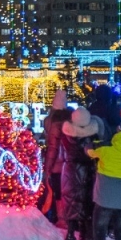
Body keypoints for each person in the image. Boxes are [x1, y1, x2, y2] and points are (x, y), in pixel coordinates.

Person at [59, 107, 104, 240]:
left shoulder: (65, 136)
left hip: (69, 172)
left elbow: (61, 156)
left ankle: (71, 233)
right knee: (87, 203)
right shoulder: (94, 138)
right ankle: (86, 235)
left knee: (71, 202)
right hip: (88, 172)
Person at [43, 89, 71, 225]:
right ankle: (66, 218)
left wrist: (47, 167)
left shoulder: (53, 124)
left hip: (57, 165)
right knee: (66, 192)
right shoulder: (70, 122)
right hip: (69, 163)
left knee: (57, 192)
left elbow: (53, 148)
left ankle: (61, 219)